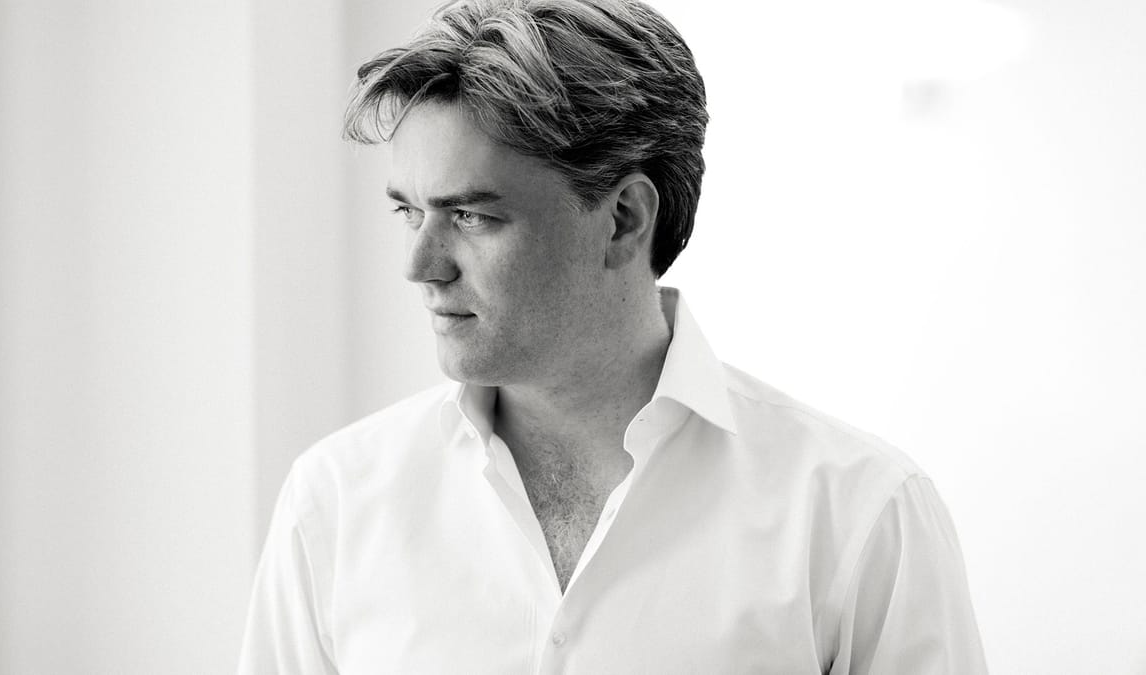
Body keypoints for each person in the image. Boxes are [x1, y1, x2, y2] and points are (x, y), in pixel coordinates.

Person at [237, 0, 989, 672]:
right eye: (409, 211)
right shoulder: (334, 505)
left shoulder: (859, 514)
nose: (420, 265)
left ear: (625, 218)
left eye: (472, 216)